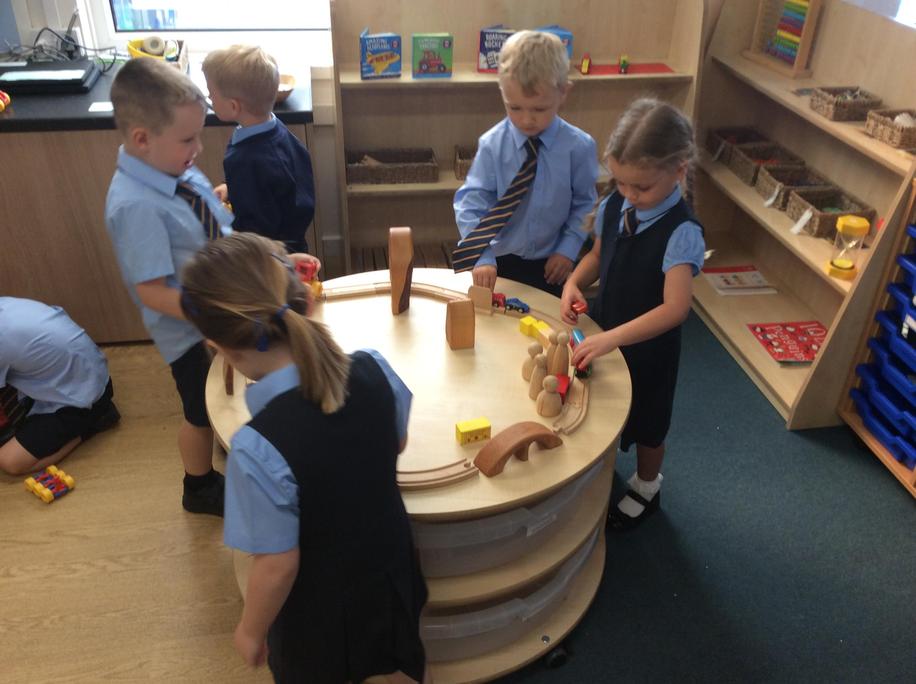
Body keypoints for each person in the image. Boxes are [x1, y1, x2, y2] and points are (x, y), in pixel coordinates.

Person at [179, 232, 428, 684]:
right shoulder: (373, 366)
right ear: (304, 303)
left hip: (319, 616)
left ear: (221, 348)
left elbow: (277, 564)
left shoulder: (256, 448)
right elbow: (397, 443)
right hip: (391, 567)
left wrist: (250, 630)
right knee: (398, 656)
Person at [560, 98, 706, 530]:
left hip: (649, 352)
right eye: (621, 182)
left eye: (641, 187)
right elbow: (597, 255)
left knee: (647, 424)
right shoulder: (615, 204)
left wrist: (612, 338)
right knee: (598, 402)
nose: (629, 194)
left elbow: (675, 308)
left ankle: (646, 486)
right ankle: (601, 464)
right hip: (605, 328)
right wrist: (573, 282)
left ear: (679, 170)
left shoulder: (681, 231)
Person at [105, 57, 234, 516]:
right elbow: (153, 292)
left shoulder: (176, 169)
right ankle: (198, 486)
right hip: (189, 335)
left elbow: (205, 225)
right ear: (142, 138)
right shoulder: (135, 206)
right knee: (199, 412)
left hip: (215, 310)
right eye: (188, 139)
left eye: (199, 135)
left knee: (222, 394)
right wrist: (214, 318)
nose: (198, 147)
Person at [452, 30, 598, 296]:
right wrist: (481, 254)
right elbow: (471, 203)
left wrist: (568, 250)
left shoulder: (579, 147)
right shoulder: (492, 144)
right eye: (514, 107)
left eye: (539, 109)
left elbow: (584, 204)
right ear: (502, 92)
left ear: (564, 92)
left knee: (547, 319)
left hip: (552, 262)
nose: (526, 120)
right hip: (499, 259)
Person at [202, 45, 316, 254]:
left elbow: (255, 230)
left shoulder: (245, 160)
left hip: (268, 257)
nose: (209, 99)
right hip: (292, 242)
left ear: (234, 106)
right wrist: (232, 188)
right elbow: (276, 187)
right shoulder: (277, 130)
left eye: (211, 95)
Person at [0, 297, 119, 476]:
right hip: (89, 375)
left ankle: (95, 422)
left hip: (81, 402)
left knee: (9, 462)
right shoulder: (6, 305)